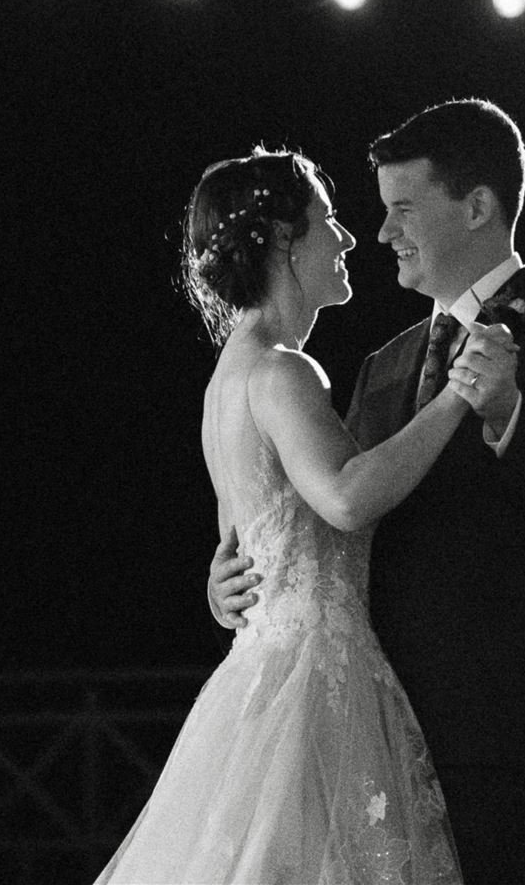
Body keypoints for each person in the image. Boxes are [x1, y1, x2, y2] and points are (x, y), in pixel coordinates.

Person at [210, 100, 525, 885]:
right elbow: (333, 511)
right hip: (370, 733)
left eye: (402, 209)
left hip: (501, 739)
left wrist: (509, 409)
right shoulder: (384, 362)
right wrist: (235, 573)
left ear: (477, 207)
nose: (381, 233)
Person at [92, 146, 485, 885]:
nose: (345, 239)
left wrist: (220, 585)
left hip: (262, 674)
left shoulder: (226, 377)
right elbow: (344, 498)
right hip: (312, 679)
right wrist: (457, 396)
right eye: (328, 220)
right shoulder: (281, 369)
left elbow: (239, 545)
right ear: (281, 240)